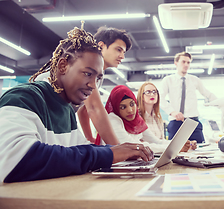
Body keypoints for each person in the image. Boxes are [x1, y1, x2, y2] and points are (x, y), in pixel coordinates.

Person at [0, 27, 153, 183]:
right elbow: (15, 160)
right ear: (63, 66)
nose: (93, 86)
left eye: (97, 78)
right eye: (88, 74)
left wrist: (118, 151)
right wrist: (110, 154)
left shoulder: (66, 108)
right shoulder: (23, 98)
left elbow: (76, 150)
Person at [96, 85, 194, 153]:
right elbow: (135, 146)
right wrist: (175, 148)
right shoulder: (113, 120)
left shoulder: (137, 120)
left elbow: (157, 141)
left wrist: (181, 143)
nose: (130, 110)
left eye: (132, 104)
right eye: (122, 107)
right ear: (116, 108)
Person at [77, 26, 132, 145]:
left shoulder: (98, 74)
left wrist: (89, 137)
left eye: (123, 52)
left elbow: (83, 109)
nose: (122, 56)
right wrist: (118, 149)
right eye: (118, 50)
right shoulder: (87, 65)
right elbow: (94, 108)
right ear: (101, 46)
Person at [160, 52, 217, 143]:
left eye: (188, 62)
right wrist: (172, 112)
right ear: (176, 63)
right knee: (173, 151)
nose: (186, 64)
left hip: (193, 122)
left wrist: (223, 106)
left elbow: (208, 94)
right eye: (183, 62)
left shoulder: (195, 80)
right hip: (176, 122)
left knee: (200, 149)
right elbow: (160, 98)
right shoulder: (168, 80)